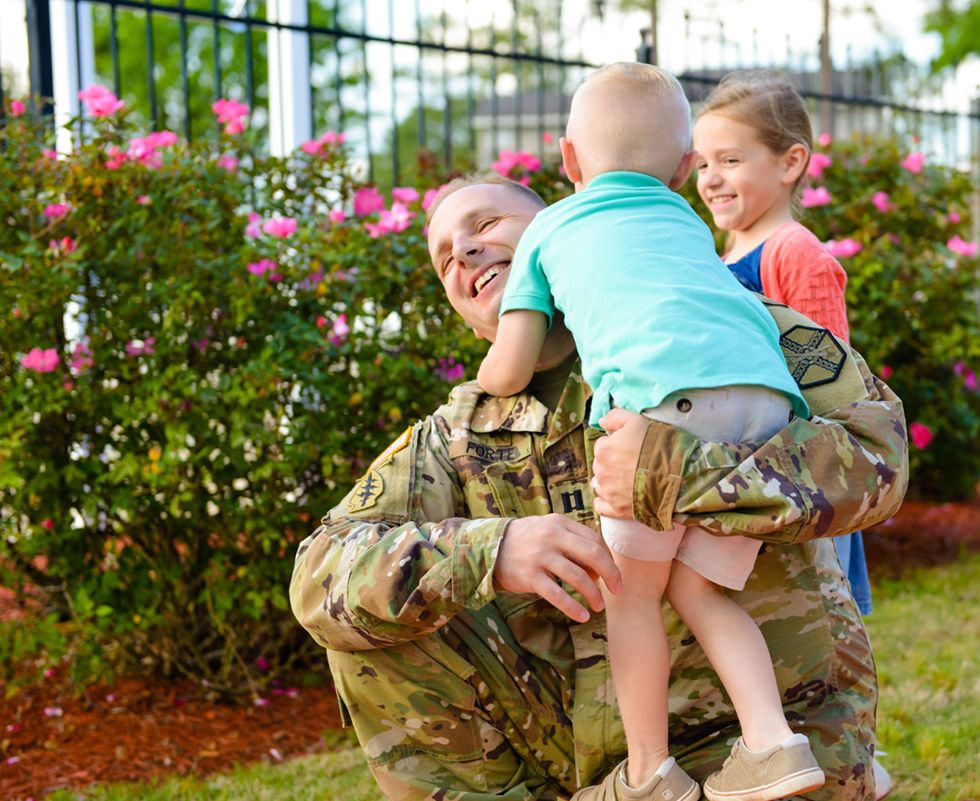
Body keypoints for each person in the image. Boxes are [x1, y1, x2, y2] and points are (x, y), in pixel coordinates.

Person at [289, 173, 909, 801]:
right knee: (370, 619)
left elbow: (877, 459)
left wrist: (681, 468)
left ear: (564, 229)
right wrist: (489, 550)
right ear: (470, 321)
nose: (465, 253)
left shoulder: (726, 323)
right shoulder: (454, 437)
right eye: (446, 257)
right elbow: (318, 573)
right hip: (578, 770)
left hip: (751, 753)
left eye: (483, 225)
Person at [476, 62, 821, 801]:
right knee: (699, 589)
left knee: (634, 595)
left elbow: (509, 369)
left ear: (568, 160)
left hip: (662, 410)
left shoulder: (549, 225)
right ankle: (773, 741)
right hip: (764, 407)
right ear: (684, 167)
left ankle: (647, 773)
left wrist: (478, 379)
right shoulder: (687, 221)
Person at [692, 72, 887, 798]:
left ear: (791, 161)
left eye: (732, 159)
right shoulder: (723, 252)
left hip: (799, 476)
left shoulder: (793, 252)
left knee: (821, 634)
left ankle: (854, 764)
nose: (712, 177)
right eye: (704, 161)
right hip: (752, 471)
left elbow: (827, 376)